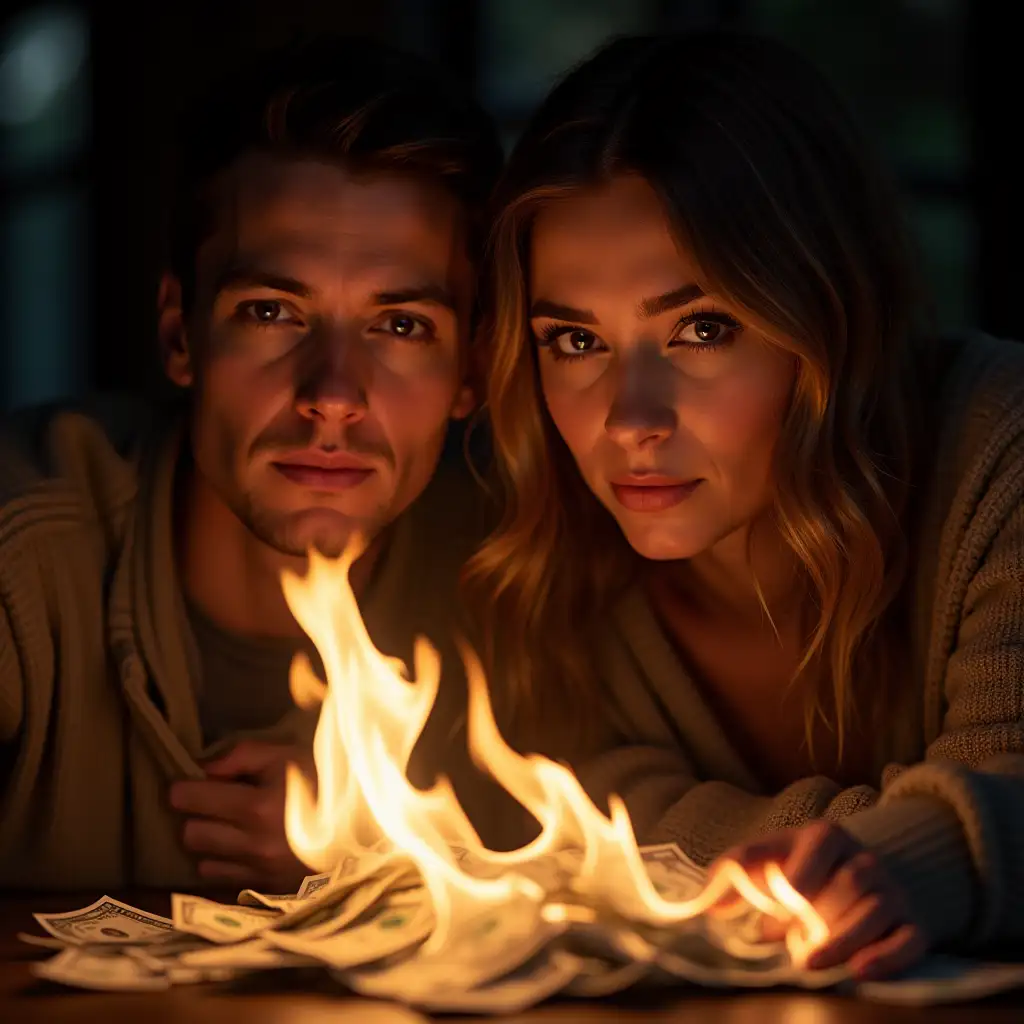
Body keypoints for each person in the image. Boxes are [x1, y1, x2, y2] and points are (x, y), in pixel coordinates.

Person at [468, 30, 1024, 980]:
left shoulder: (994, 450)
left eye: (701, 328)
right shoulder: (542, 548)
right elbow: (547, 802)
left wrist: (922, 851)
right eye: (574, 340)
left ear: (825, 319)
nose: (628, 420)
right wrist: (897, 833)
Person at [0, 35, 506, 891]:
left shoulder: (518, 589)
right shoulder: (26, 558)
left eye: (401, 325)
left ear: (472, 373)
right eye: (273, 311)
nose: (334, 393)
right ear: (179, 333)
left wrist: (398, 849)